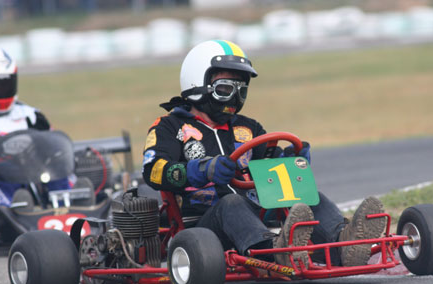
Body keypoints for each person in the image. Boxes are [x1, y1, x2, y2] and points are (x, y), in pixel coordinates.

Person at [142, 40, 385, 267]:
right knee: (231, 203)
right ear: (198, 84)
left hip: (255, 215)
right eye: (226, 88)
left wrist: (289, 161)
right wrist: (203, 169)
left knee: (304, 194)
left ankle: (344, 242)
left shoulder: (248, 128)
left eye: (241, 90)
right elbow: (153, 171)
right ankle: (274, 251)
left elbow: (268, 167)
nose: (234, 98)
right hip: (203, 227)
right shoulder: (170, 127)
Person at [0, 45, 70, 209]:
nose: (0, 91)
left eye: (6, 84)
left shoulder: (31, 117)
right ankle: (9, 220)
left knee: (60, 177)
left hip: (32, 177)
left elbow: (54, 152)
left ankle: (71, 214)